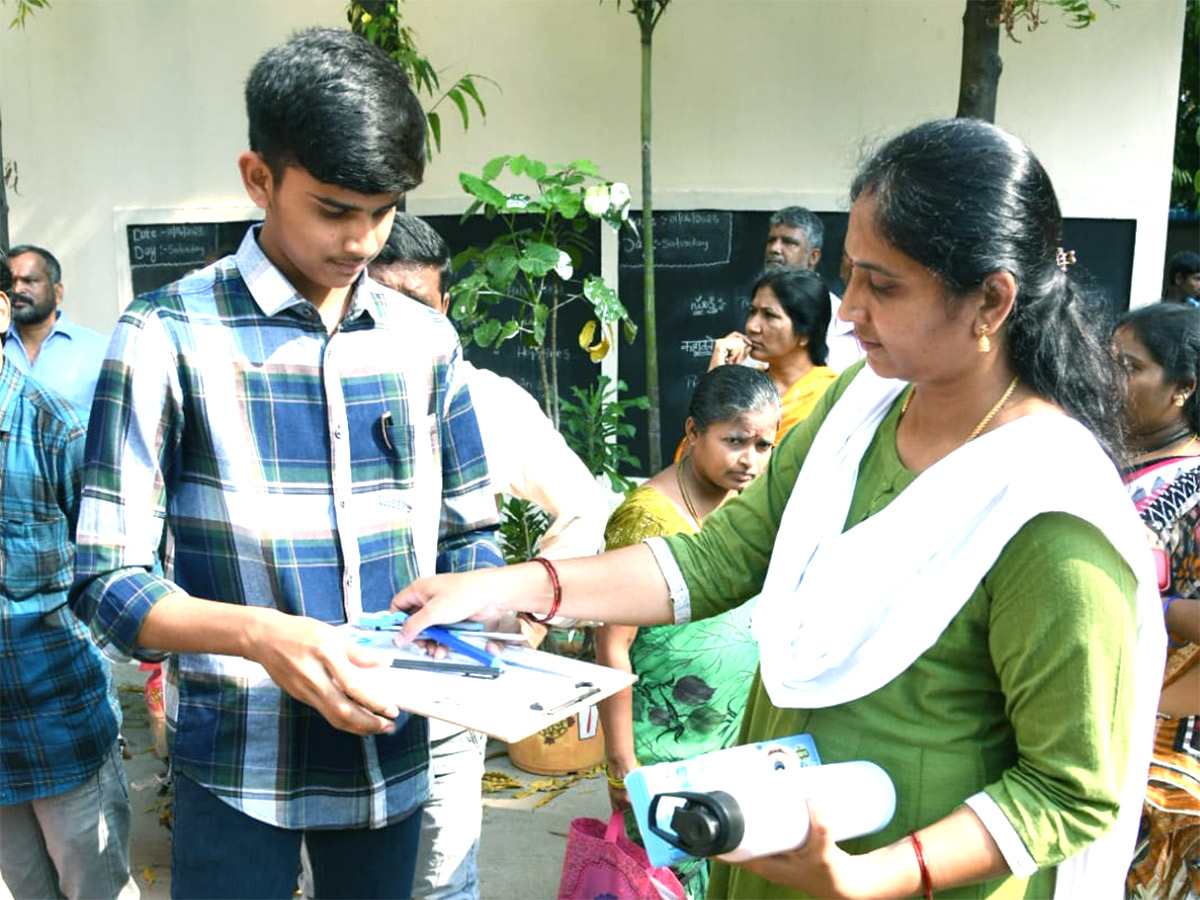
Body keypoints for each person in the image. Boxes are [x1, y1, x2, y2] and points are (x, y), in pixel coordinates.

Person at [391, 117, 1166, 899]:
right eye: (852, 272)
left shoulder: (1049, 511)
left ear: (990, 301)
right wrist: (507, 587)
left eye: (884, 285)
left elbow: (1069, 788)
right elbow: (714, 559)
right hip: (773, 839)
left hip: (907, 878)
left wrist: (871, 878)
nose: (848, 308)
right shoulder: (858, 412)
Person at [69, 28, 504, 900]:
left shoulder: (423, 340)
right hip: (237, 763)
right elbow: (107, 580)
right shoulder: (167, 336)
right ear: (258, 177)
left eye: (382, 211)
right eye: (335, 209)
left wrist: (494, 611)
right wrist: (266, 640)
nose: (363, 240)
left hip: (392, 752)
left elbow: (470, 532)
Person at [366, 212, 611, 900]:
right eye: (377, 301)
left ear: (445, 307)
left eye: (415, 304)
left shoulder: (487, 402)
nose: (397, 322)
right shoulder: (309, 392)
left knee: (442, 881)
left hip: (447, 694)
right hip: (340, 691)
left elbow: (587, 508)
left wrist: (525, 619)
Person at [596, 364, 779, 900]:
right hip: (663, 747)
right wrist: (621, 760)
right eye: (735, 440)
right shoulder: (647, 519)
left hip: (733, 739)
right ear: (693, 433)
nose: (750, 459)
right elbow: (612, 642)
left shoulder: (751, 506)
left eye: (765, 445)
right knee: (659, 882)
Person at [0, 250, 138, 900]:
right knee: (26, 888)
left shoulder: (54, 428)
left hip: (56, 716)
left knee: (93, 886)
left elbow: (115, 567)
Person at [1114, 303, 1200, 900]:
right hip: (1098, 718)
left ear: (1183, 388)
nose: (1109, 378)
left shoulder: (1193, 483)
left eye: (1128, 366)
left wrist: (1141, 607)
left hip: (1162, 748)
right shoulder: (1105, 457)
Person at [706, 266, 836, 441]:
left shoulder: (830, 396)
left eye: (769, 315)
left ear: (806, 333)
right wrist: (716, 379)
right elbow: (695, 457)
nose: (752, 326)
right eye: (753, 312)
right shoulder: (747, 389)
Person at [3, 244, 109, 421]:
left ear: (57, 292)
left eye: (29, 281)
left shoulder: (99, 350)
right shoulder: (2, 347)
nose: (17, 290)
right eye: (11, 282)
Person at [763, 207, 862, 372]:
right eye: (771, 240)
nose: (775, 249)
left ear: (813, 256)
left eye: (789, 242)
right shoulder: (758, 311)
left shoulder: (840, 319)